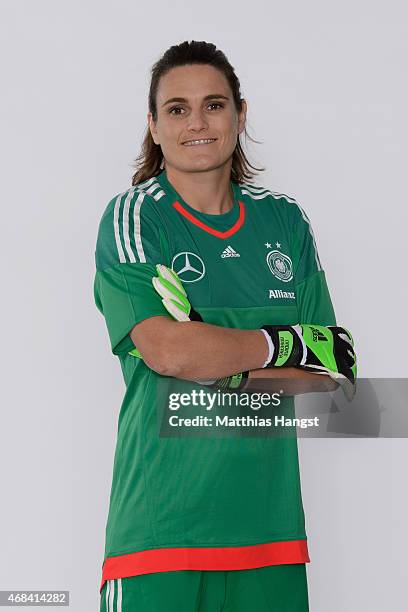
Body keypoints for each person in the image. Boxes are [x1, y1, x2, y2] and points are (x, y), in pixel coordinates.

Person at [94, 40, 356, 612]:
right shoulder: (136, 216)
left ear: (240, 115)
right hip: (160, 536)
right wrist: (276, 348)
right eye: (177, 109)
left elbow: (332, 365)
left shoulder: (284, 222)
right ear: (154, 126)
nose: (197, 122)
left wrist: (223, 359)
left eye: (214, 105)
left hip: (271, 535)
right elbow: (169, 351)